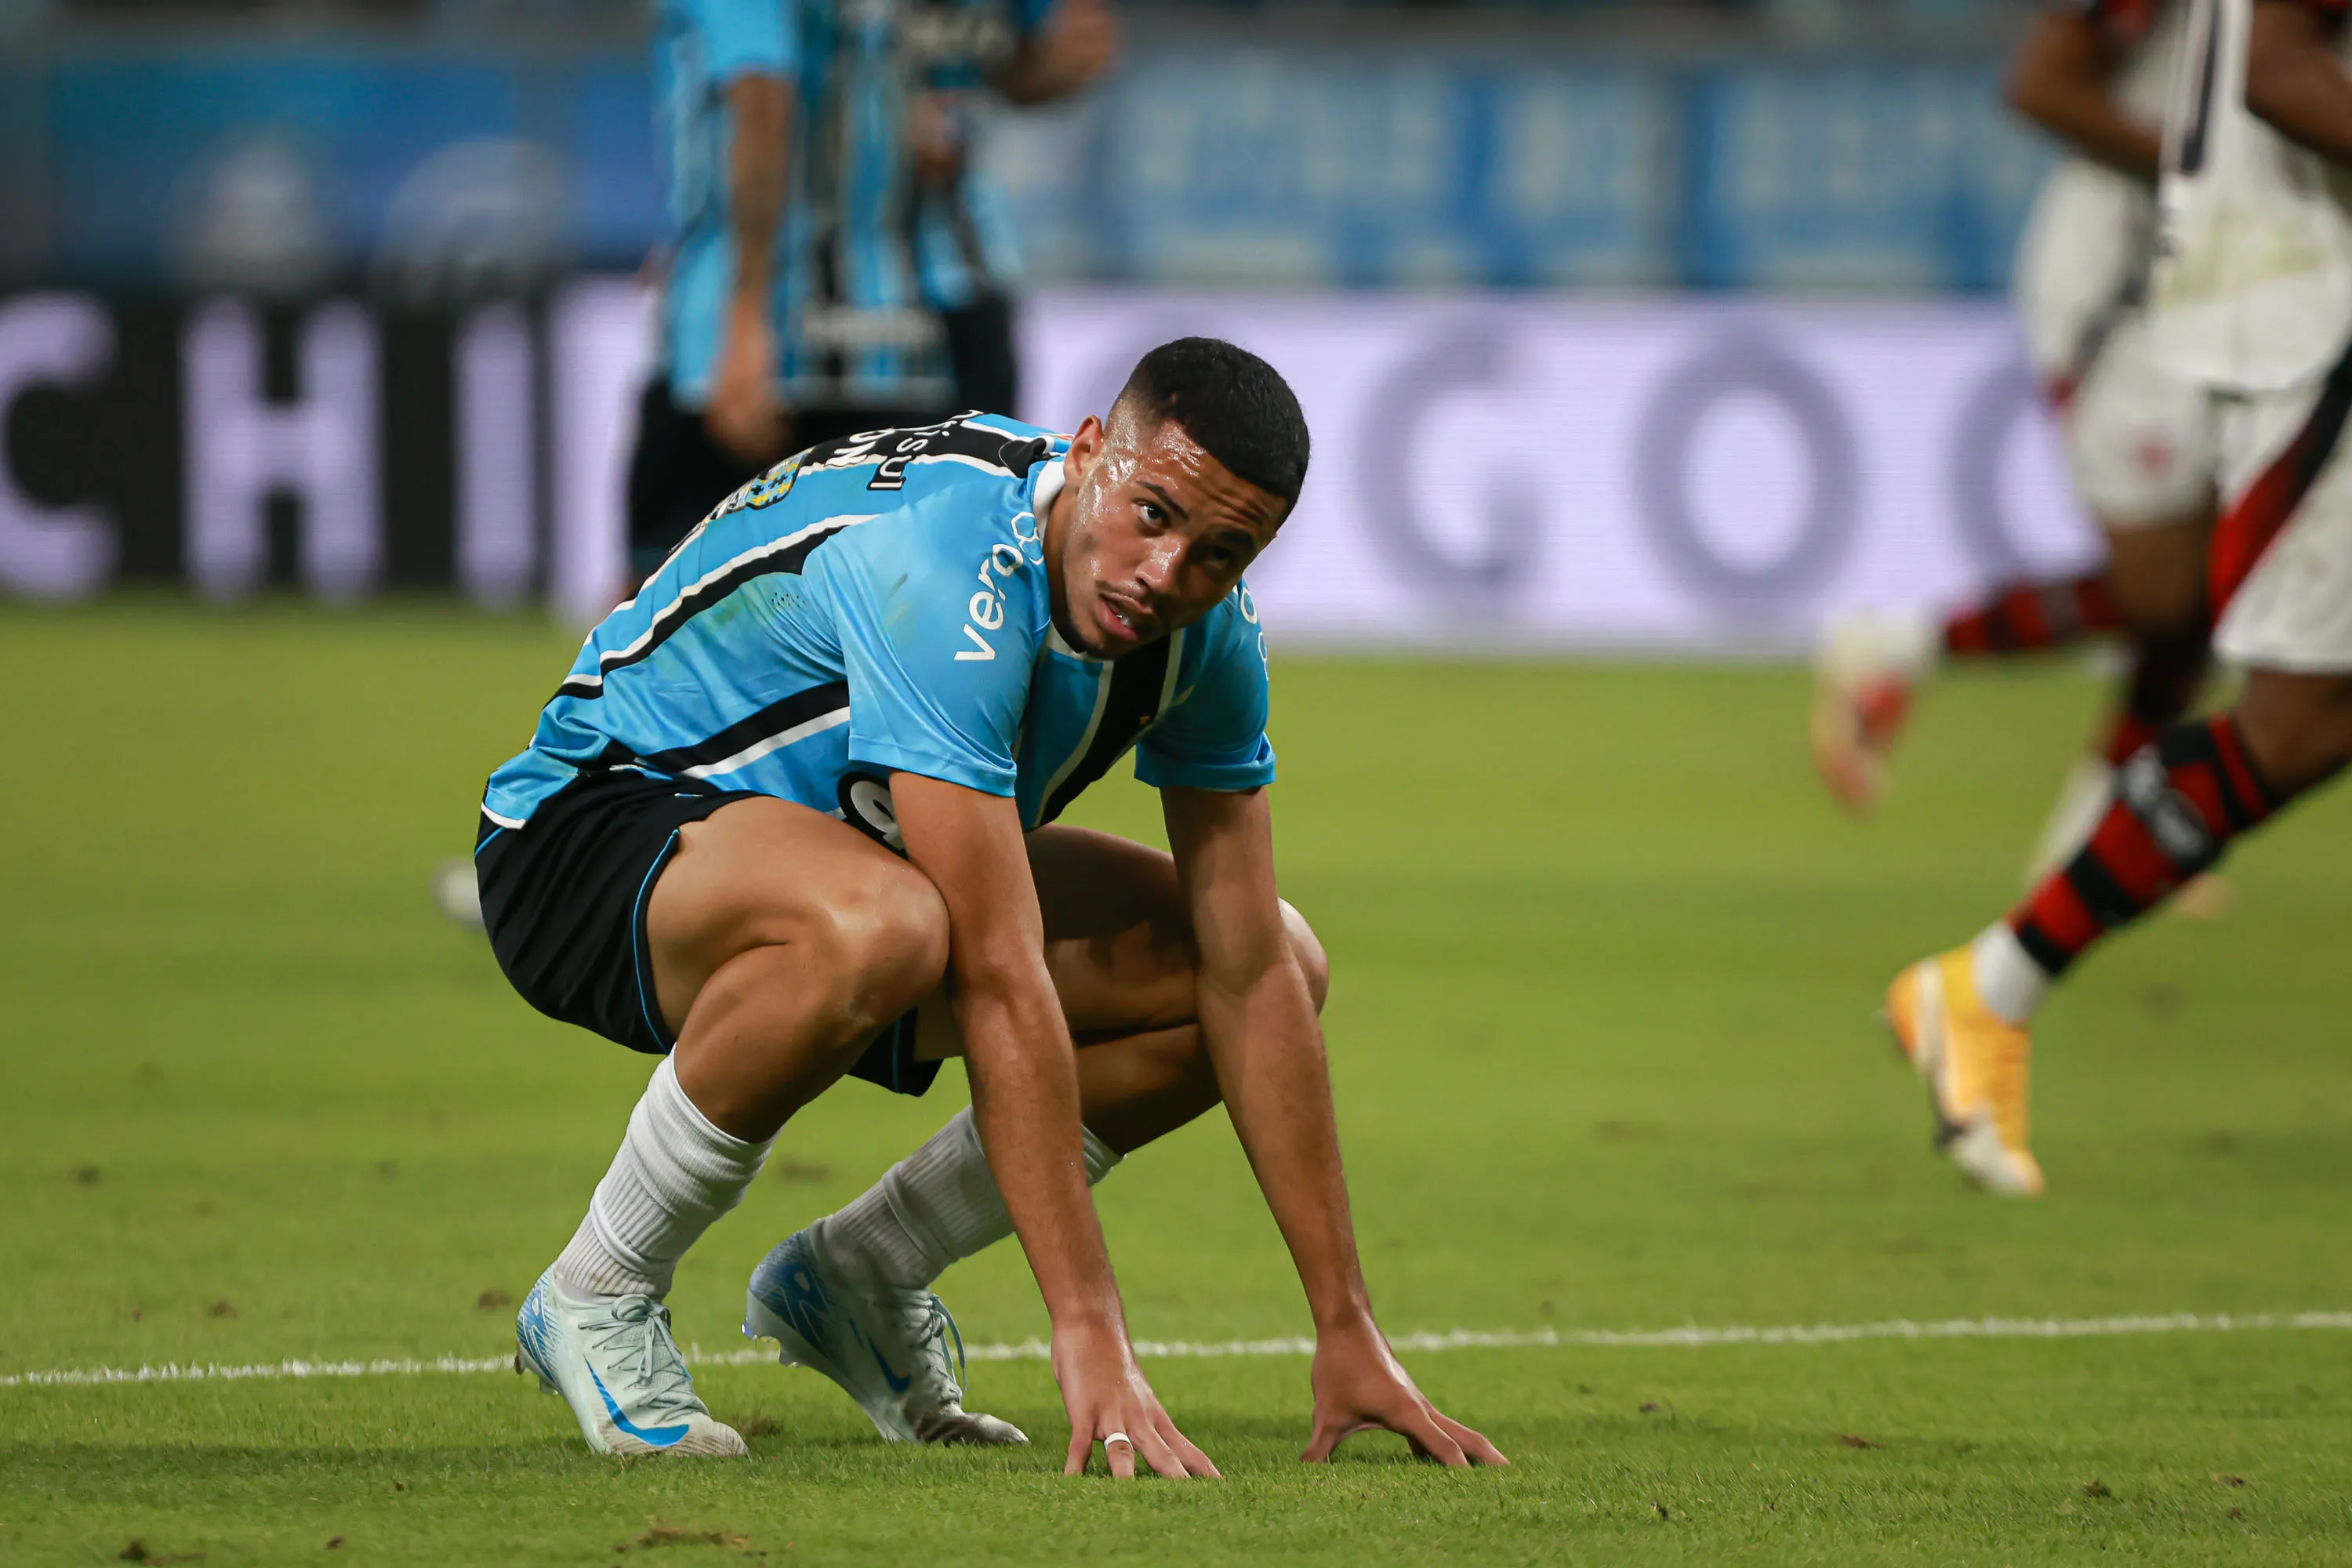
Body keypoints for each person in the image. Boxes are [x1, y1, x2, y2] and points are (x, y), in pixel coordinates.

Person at [479, 338, 1508, 1475]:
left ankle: (859, 1277)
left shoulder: (1206, 642)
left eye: (1221, 553)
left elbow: (1248, 975)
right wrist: (1089, 1328)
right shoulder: (949, 569)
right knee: (896, 929)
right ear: (1090, 453)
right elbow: (1000, 972)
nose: (1168, 575)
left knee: (1278, 963)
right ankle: (599, 1289)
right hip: (589, 835)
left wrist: (1344, 1323)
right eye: (1152, 513)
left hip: (849, 876)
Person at [1881, 0, 2352, 1196]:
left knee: (2285, 702)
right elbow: (2274, 67)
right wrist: (2182, 182)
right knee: (2229, 657)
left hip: (2258, 305)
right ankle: (1994, 974)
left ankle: (1995, 979)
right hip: (2284, 315)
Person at [1811, 0, 2223, 891]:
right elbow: (2040, 84)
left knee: (2220, 580)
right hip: (2125, 299)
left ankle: (2101, 831)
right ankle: (1902, 649)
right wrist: (2212, 182)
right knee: (2169, 591)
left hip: (2226, 294)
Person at [628, 0, 1118, 583]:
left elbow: (761, 93)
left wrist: (740, 313)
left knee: (674, 590)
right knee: (942, 578)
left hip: (815, 309)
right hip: (919, 301)